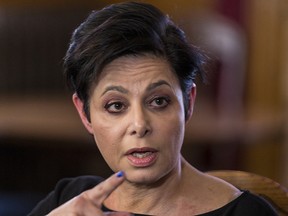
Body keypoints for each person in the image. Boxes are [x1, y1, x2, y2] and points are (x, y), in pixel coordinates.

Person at [28, 2, 277, 216]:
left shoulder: (245, 212)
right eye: (115, 106)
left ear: (188, 103)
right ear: (85, 114)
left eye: (158, 101)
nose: (139, 125)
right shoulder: (69, 201)